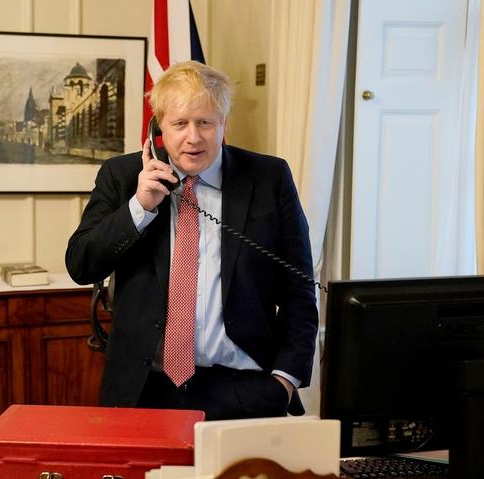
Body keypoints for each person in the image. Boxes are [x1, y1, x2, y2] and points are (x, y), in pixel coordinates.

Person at [65, 61, 318, 420]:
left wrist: (285, 380)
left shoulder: (268, 178)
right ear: (158, 129)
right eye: (180, 123)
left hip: (246, 389)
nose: (193, 137)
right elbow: (81, 264)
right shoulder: (121, 177)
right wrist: (140, 207)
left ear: (224, 124)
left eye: (205, 123)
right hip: (145, 389)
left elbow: (299, 289)